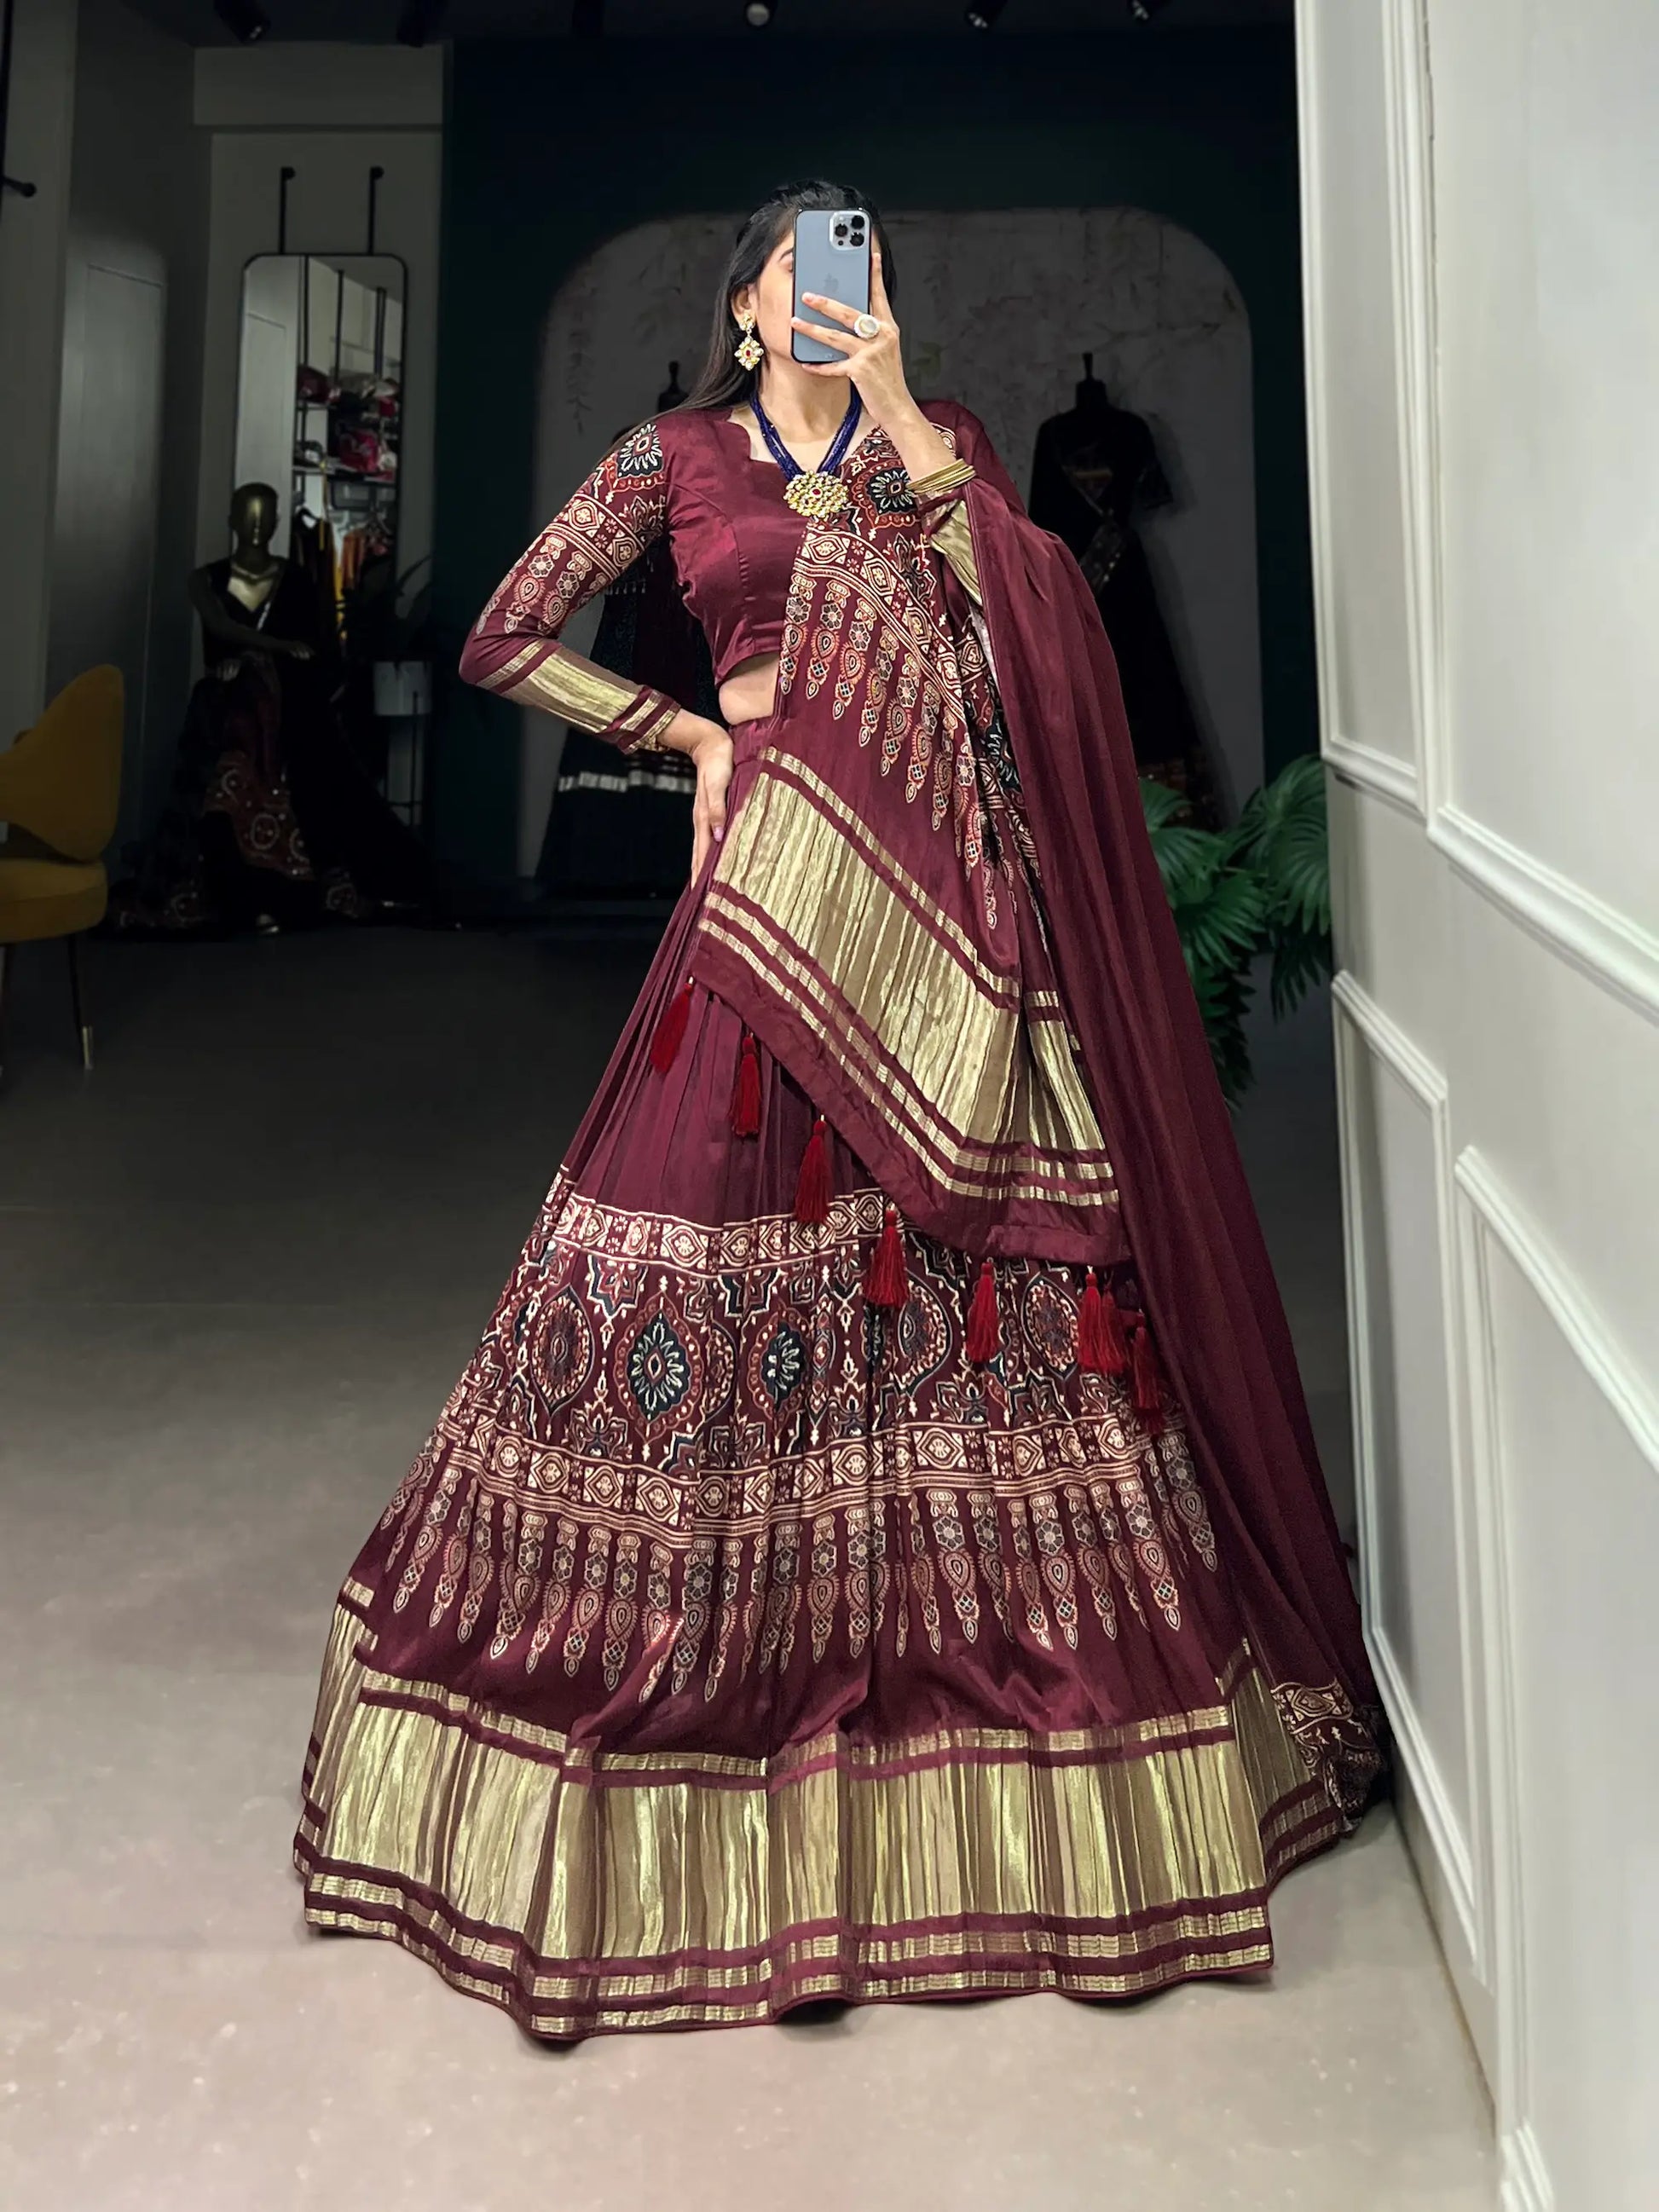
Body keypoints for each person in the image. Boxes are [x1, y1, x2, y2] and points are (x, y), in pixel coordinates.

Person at [292, 182, 1384, 2041]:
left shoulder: (934, 438)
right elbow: (503, 635)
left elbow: (1036, 633)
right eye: (800, 276)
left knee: (1001, 1289)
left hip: (956, 922)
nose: (828, 296)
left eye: (857, 274)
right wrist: (691, 736)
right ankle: (722, 1668)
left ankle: (1009, 1703)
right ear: (742, 309)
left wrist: (895, 411)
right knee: (712, 1245)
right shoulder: (676, 459)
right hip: (774, 900)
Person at [107, 483, 431, 938]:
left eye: (265, 515)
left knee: (314, 775)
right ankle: (234, 893)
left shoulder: (296, 579)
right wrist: (271, 649)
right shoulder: (205, 579)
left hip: (289, 704)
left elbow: (318, 645)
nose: (256, 524)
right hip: (230, 704)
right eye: (247, 513)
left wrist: (285, 664)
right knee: (222, 783)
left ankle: (292, 889)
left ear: (278, 521)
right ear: (231, 519)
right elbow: (221, 626)